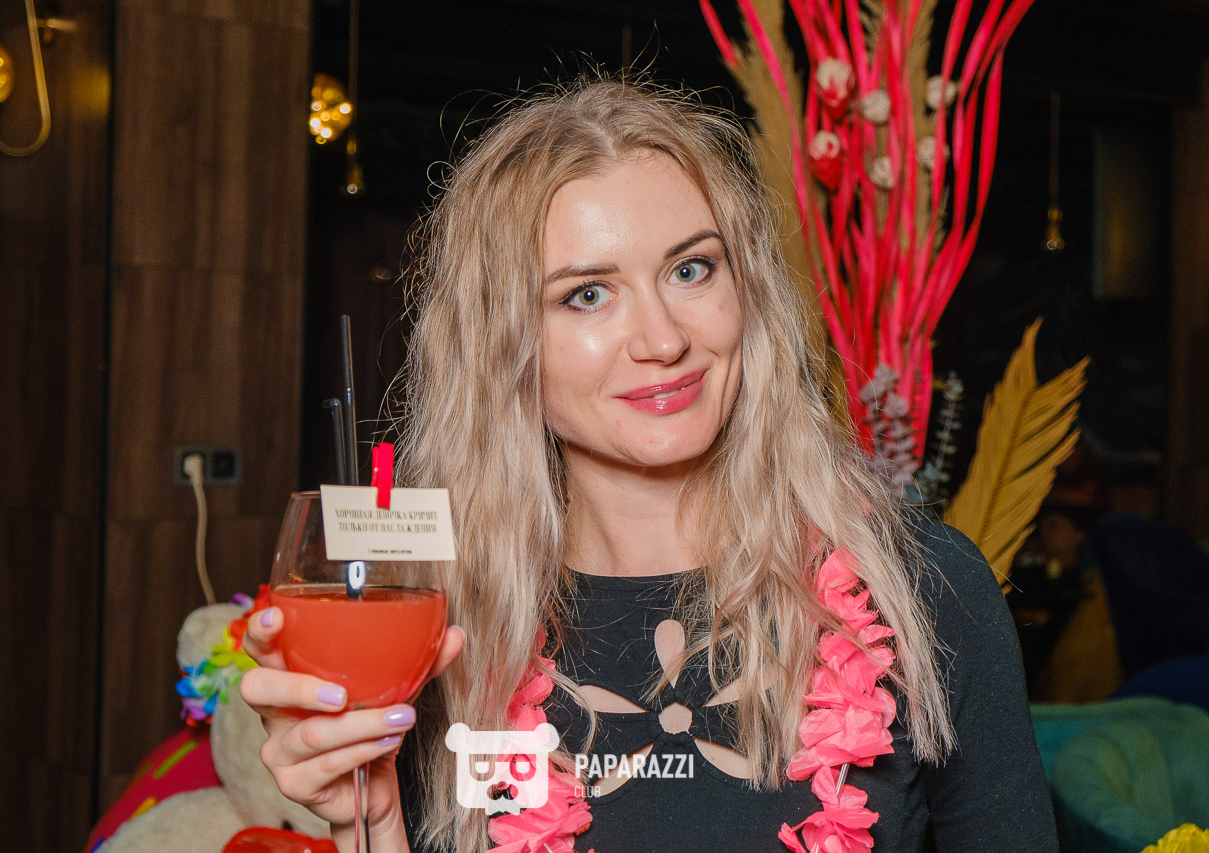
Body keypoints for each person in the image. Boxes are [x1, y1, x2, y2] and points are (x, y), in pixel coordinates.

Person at [240, 78, 1057, 852]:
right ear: (502, 347)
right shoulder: (444, 632)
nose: (664, 339)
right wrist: (371, 818)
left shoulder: (923, 592)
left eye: (690, 269)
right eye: (587, 294)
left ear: (749, 290)